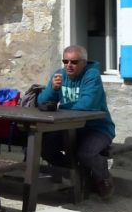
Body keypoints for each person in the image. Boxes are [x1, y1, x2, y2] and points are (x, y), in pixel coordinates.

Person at [37, 45, 117, 199]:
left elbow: (87, 104)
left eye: (73, 62)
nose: (69, 65)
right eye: (65, 61)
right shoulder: (59, 75)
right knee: (45, 147)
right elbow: (42, 102)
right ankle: (79, 175)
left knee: (86, 153)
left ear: (84, 63)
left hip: (97, 128)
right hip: (69, 127)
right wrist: (52, 89)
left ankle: (103, 177)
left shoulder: (91, 76)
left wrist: (60, 107)